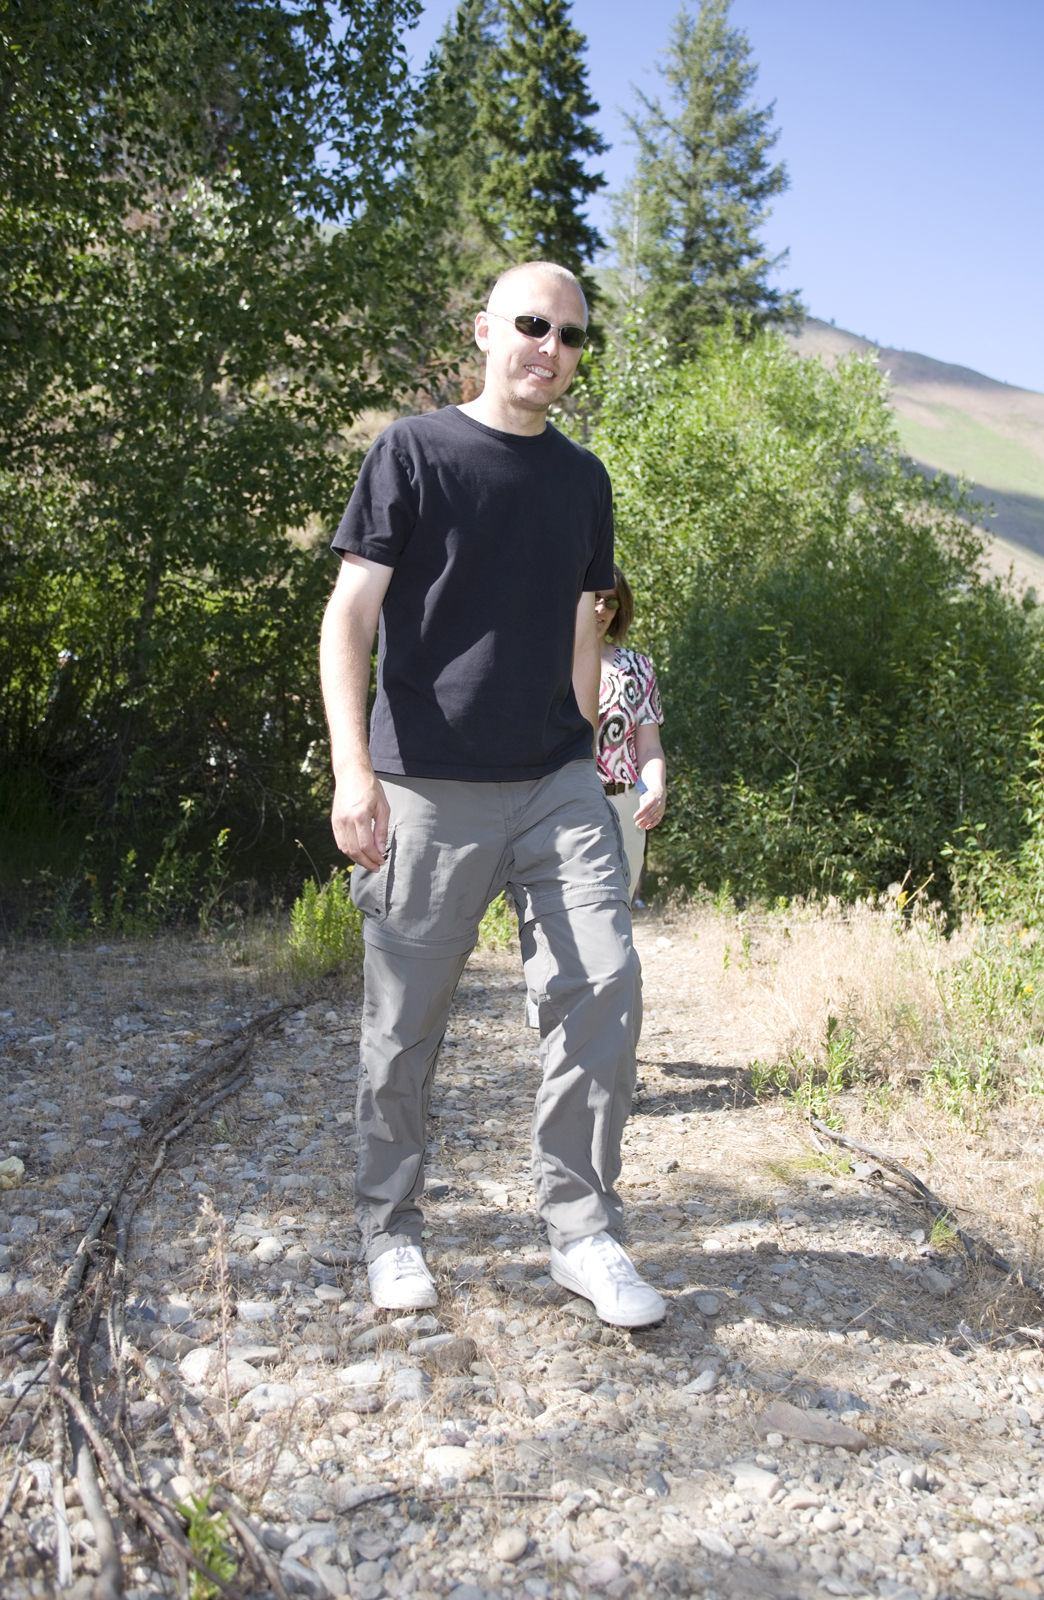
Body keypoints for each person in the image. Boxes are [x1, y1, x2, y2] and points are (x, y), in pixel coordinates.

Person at [319, 260, 665, 1329]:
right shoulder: (412, 452)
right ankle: (391, 1230)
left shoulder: (583, 480)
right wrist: (353, 771)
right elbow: (349, 616)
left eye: (571, 336)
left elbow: (582, 632)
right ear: (484, 330)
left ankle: (582, 1232)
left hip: (556, 780)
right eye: (532, 325)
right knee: (404, 1025)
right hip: (426, 784)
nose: (550, 350)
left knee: (603, 981)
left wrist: (597, 759)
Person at [595, 567, 666, 903]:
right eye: (593, 597)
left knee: (616, 914)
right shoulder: (550, 663)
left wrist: (656, 790)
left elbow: (650, 748)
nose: (601, 608)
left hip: (626, 808)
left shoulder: (637, 668)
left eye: (610, 602)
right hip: (563, 805)